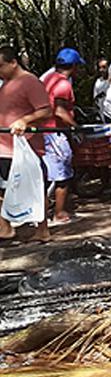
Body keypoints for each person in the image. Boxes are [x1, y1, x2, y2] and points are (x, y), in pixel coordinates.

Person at [0, 46, 53, 241]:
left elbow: (46, 111)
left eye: (1, 65)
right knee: (5, 188)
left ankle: (43, 229)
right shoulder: (6, 83)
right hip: (3, 146)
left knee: (34, 188)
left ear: (13, 62)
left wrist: (25, 120)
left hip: (23, 148)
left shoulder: (30, 82)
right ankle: (4, 226)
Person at [42, 48, 85, 224]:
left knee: (47, 175)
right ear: (74, 66)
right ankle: (58, 213)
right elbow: (59, 110)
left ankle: (44, 214)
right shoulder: (62, 84)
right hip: (55, 133)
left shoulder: (48, 78)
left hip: (44, 131)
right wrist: (76, 127)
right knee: (62, 175)